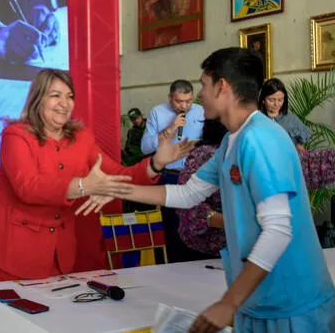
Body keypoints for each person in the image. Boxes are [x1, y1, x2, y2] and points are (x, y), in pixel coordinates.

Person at [79, 48, 334, 333]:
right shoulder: (233, 141)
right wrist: (114, 188)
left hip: (289, 303)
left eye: (203, 84)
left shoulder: (261, 138)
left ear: (222, 86)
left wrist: (229, 302)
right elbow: (187, 194)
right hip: (259, 301)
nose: (200, 95)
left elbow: (278, 230)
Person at [0, 69, 194, 281]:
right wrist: (84, 185)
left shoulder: (82, 137)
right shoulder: (16, 135)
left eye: (69, 96)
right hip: (17, 253)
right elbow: (28, 187)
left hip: (68, 251)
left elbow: (118, 174)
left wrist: (156, 163)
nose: (65, 103)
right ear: (38, 99)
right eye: (55, 95)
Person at [141, 79, 204, 262]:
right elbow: (145, 147)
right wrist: (170, 129)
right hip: (171, 177)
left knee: (198, 225)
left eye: (188, 101)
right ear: (170, 98)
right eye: (179, 101)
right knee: (174, 229)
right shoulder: (158, 113)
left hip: (196, 177)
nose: (184, 106)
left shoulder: (201, 112)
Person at [176, 119, 228, 257]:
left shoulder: (246, 152)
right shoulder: (206, 154)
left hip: (237, 246)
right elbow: (188, 202)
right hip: (206, 246)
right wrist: (232, 222)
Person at [258, 78, 311, 151]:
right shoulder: (256, 119)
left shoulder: (292, 120)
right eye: (271, 100)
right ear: (263, 100)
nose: (276, 104)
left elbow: (300, 149)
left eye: (280, 100)